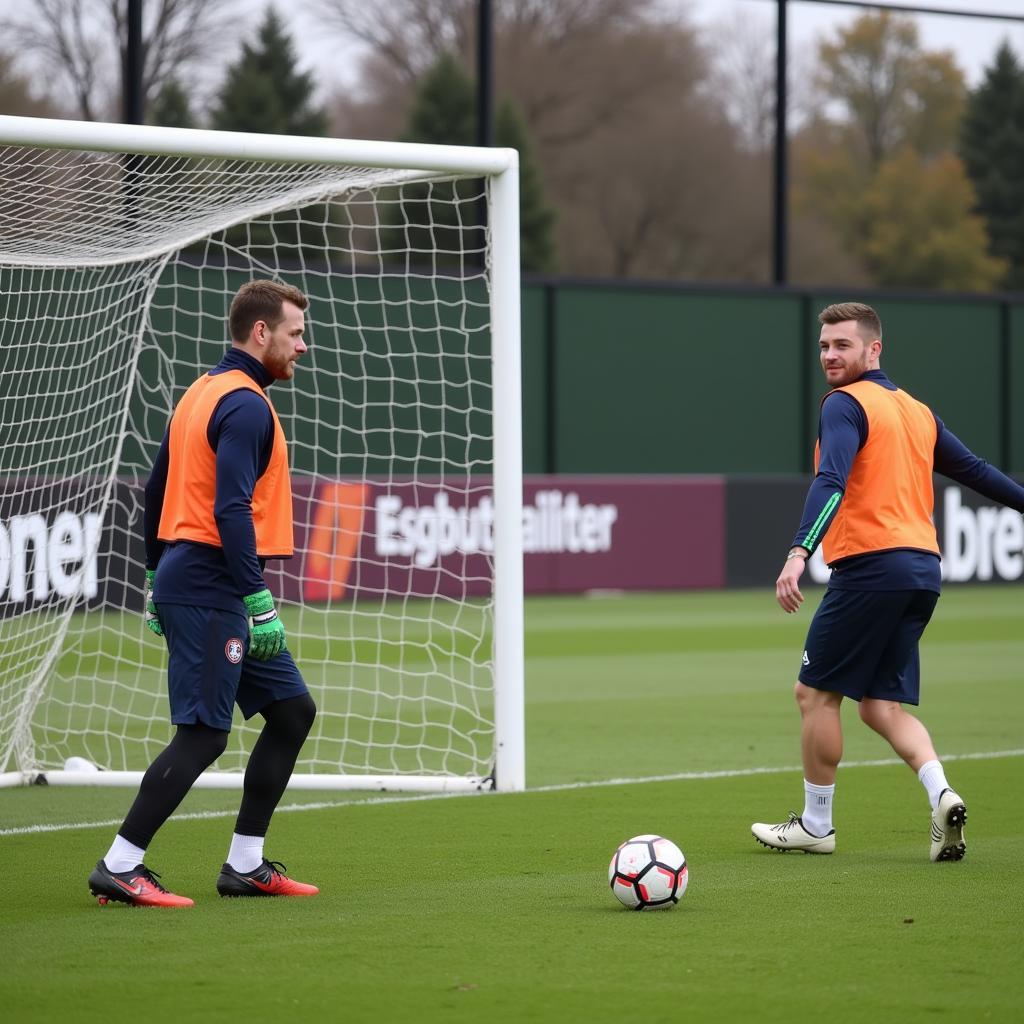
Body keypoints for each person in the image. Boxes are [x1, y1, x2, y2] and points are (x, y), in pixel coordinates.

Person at [751, 301, 1024, 862]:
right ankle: (941, 793)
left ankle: (816, 825)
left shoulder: (844, 405)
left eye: (842, 345)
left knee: (815, 694)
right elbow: (973, 469)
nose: (829, 355)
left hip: (872, 568)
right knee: (880, 706)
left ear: (874, 348)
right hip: (923, 571)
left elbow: (831, 479)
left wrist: (799, 550)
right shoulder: (916, 410)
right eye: (824, 346)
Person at [88, 280, 320, 907]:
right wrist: (257, 599)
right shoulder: (244, 404)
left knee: (293, 712)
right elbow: (231, 508)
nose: (304, 345)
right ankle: (120, 862)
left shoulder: (201, 392)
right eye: (296, 333)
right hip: (215, 585)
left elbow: (155, 487)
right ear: (261, 332)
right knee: (203, 734)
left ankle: (244, 865)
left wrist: (149, 574)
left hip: (193, 577)